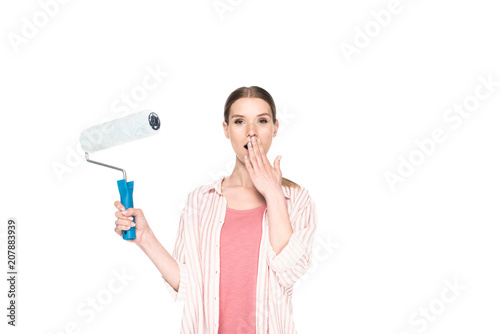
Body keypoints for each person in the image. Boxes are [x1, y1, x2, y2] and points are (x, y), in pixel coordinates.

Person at [113, 86, 318, 333]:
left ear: (275, 127)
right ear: (226, 129)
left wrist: (273, 193)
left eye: (261, 121)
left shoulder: (296, 199)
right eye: (240, 121)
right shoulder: (201, 200)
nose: (251, 133)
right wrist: (145, 238)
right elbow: (187, 285)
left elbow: (291, 271)